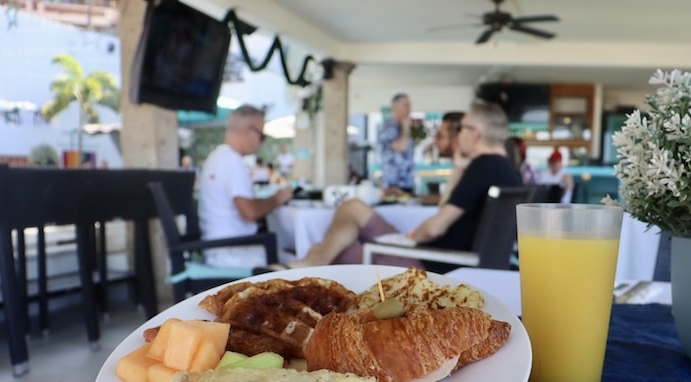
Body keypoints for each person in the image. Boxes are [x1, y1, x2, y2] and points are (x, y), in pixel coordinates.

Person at [268, 100, 521, 272]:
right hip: (445, 258)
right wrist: (460, 166)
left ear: (475, 134)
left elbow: (434, 228)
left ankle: (312, 260)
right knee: (353, 207)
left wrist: (407, 239)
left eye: (463, 128)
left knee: (331, 250)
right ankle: (314, 259)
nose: (459, 135)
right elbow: (446, 210)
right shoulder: (507, 170)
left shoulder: (484, 166)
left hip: (429, 264)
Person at [198, 104, 292, 268]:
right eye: (262, 136)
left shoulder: (217, 157)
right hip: (232, 252)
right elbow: (249, 213)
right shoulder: (232, 161)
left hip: (217, 249)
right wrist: (278, 198)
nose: (261, 142)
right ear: (247, 130)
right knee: (299, 261)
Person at [377, 93, 414, 195]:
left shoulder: (401, 127)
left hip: (406, 183)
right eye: (405, 105)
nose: (409, 108)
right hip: (393, 185)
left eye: (409, 105)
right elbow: (401, 147)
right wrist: (406, 128)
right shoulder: (388, 127)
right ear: (394, 106)